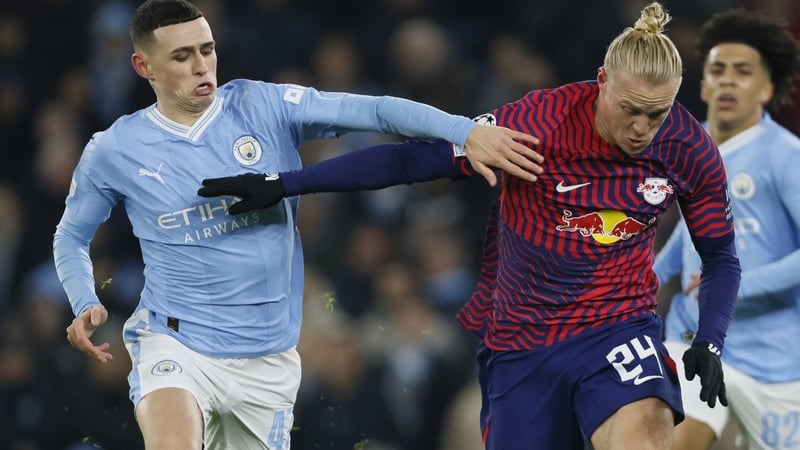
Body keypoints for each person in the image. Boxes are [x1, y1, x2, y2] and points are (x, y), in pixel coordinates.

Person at [197, 3, 741, 449]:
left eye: (659, 112)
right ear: (601, 81)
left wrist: (711, 340)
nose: (644, 128)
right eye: (631, 110)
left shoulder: (687, 148)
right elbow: (412, 162)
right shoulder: (535, 126)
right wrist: (288, 182)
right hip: (524, 341)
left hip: (616, 326)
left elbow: (720, 256)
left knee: (644, 440)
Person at [52, 1, 545, 449]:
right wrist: (84, 300)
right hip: (175, 340)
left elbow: (373, 110)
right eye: (182, 56)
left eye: (207, 49)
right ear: (144, 67)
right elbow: (71, 234)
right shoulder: (115, 149)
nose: (202, 66)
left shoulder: (263, 106)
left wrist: (466, 130)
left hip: (266, 357)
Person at [652, 9, 800, 450]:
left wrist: (739, 287)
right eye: (718, 70)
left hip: (774, 357)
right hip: (693, 337)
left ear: (767, 88)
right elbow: (687, 236)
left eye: (743, 72)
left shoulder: (785, 156)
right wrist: (639, 284)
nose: (729, 81)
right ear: (702, 85)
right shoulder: (685, 148)